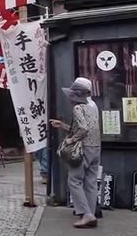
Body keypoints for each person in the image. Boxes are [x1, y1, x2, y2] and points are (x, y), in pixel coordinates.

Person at [50, 77, 101, 229]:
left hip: (83, 148)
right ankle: (90, 213)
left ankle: (86, 215)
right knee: (90, 182)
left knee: (74, 180)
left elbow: (83, 129)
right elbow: (89, 128)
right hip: (96, 148)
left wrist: (71, 140)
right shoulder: (93, 105)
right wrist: (64, 126)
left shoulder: (78, 107)